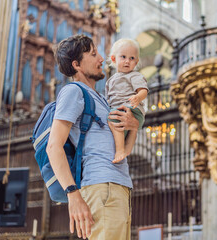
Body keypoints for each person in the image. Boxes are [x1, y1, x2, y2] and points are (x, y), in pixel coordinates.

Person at [47, 34, 139, 240]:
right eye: (93, 54)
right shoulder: (73, 91)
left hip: (117, 186)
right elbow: (53, 147)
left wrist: (133, 126)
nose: (102, 59)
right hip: (101, 187)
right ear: (77, 65)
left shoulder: (102, 99)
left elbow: (121, 148)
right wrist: (73, 195)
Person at [105, 39, 148, 163]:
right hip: (122, 110)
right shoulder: (110, 80)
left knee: (114, 118)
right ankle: (126, 150)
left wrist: (138, 97)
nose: (127, 61)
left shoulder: (134, 76)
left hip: (132, 108)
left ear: (136, 62)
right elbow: (109, 99)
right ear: (113, 59)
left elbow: (143, 90)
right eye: (123, 57)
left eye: (132, 58)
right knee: (124, 128)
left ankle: (119, 150)